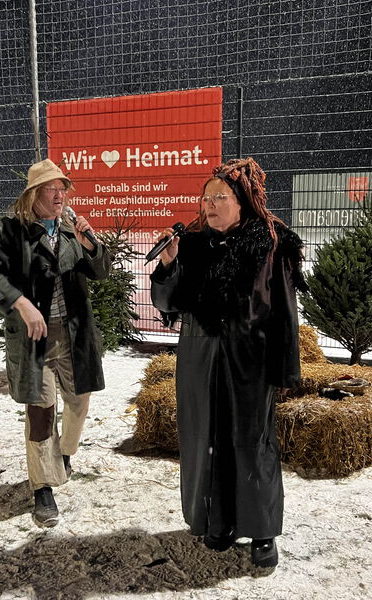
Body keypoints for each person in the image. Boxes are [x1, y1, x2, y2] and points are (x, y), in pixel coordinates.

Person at [150, 157, 306, 568]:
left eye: (219, 197)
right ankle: (215, 521)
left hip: (249, 363)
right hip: (199, 360)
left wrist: (285, 369)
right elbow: (167, 302)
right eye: (206, 198)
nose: (210, 204)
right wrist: (169, 264)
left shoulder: (270, 243)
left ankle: (262, 531)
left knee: (251, 445)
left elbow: (285, 312)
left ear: (242, 202)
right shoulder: (192, 245)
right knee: (204, 441)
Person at [0, 158, 110, 527]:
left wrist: (91, 243)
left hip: (75, 334)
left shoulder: (70, 228)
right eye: (52, 189)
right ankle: (43, 487)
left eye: (63, 188)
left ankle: (63, 453)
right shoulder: (11, 231)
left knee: (79, 401)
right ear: (34, 194)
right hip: (34, 339)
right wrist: (21, 303)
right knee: (42, 410)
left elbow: (101, 271)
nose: (60, 195)